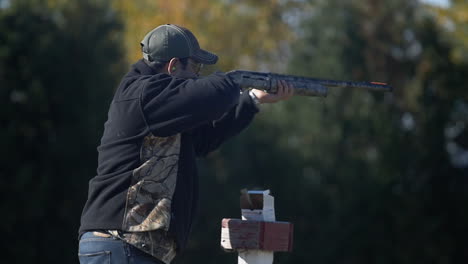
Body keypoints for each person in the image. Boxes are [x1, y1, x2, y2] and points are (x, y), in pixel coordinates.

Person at [78, 24, 294, 264]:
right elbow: (213, 94)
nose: (198, 74)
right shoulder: (144, 93)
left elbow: (203, 140)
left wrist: (252, 99)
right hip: (123, 246)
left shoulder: (161, 105)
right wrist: (235, 80)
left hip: (125, 247)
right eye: (195, 66)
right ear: (172, 66)